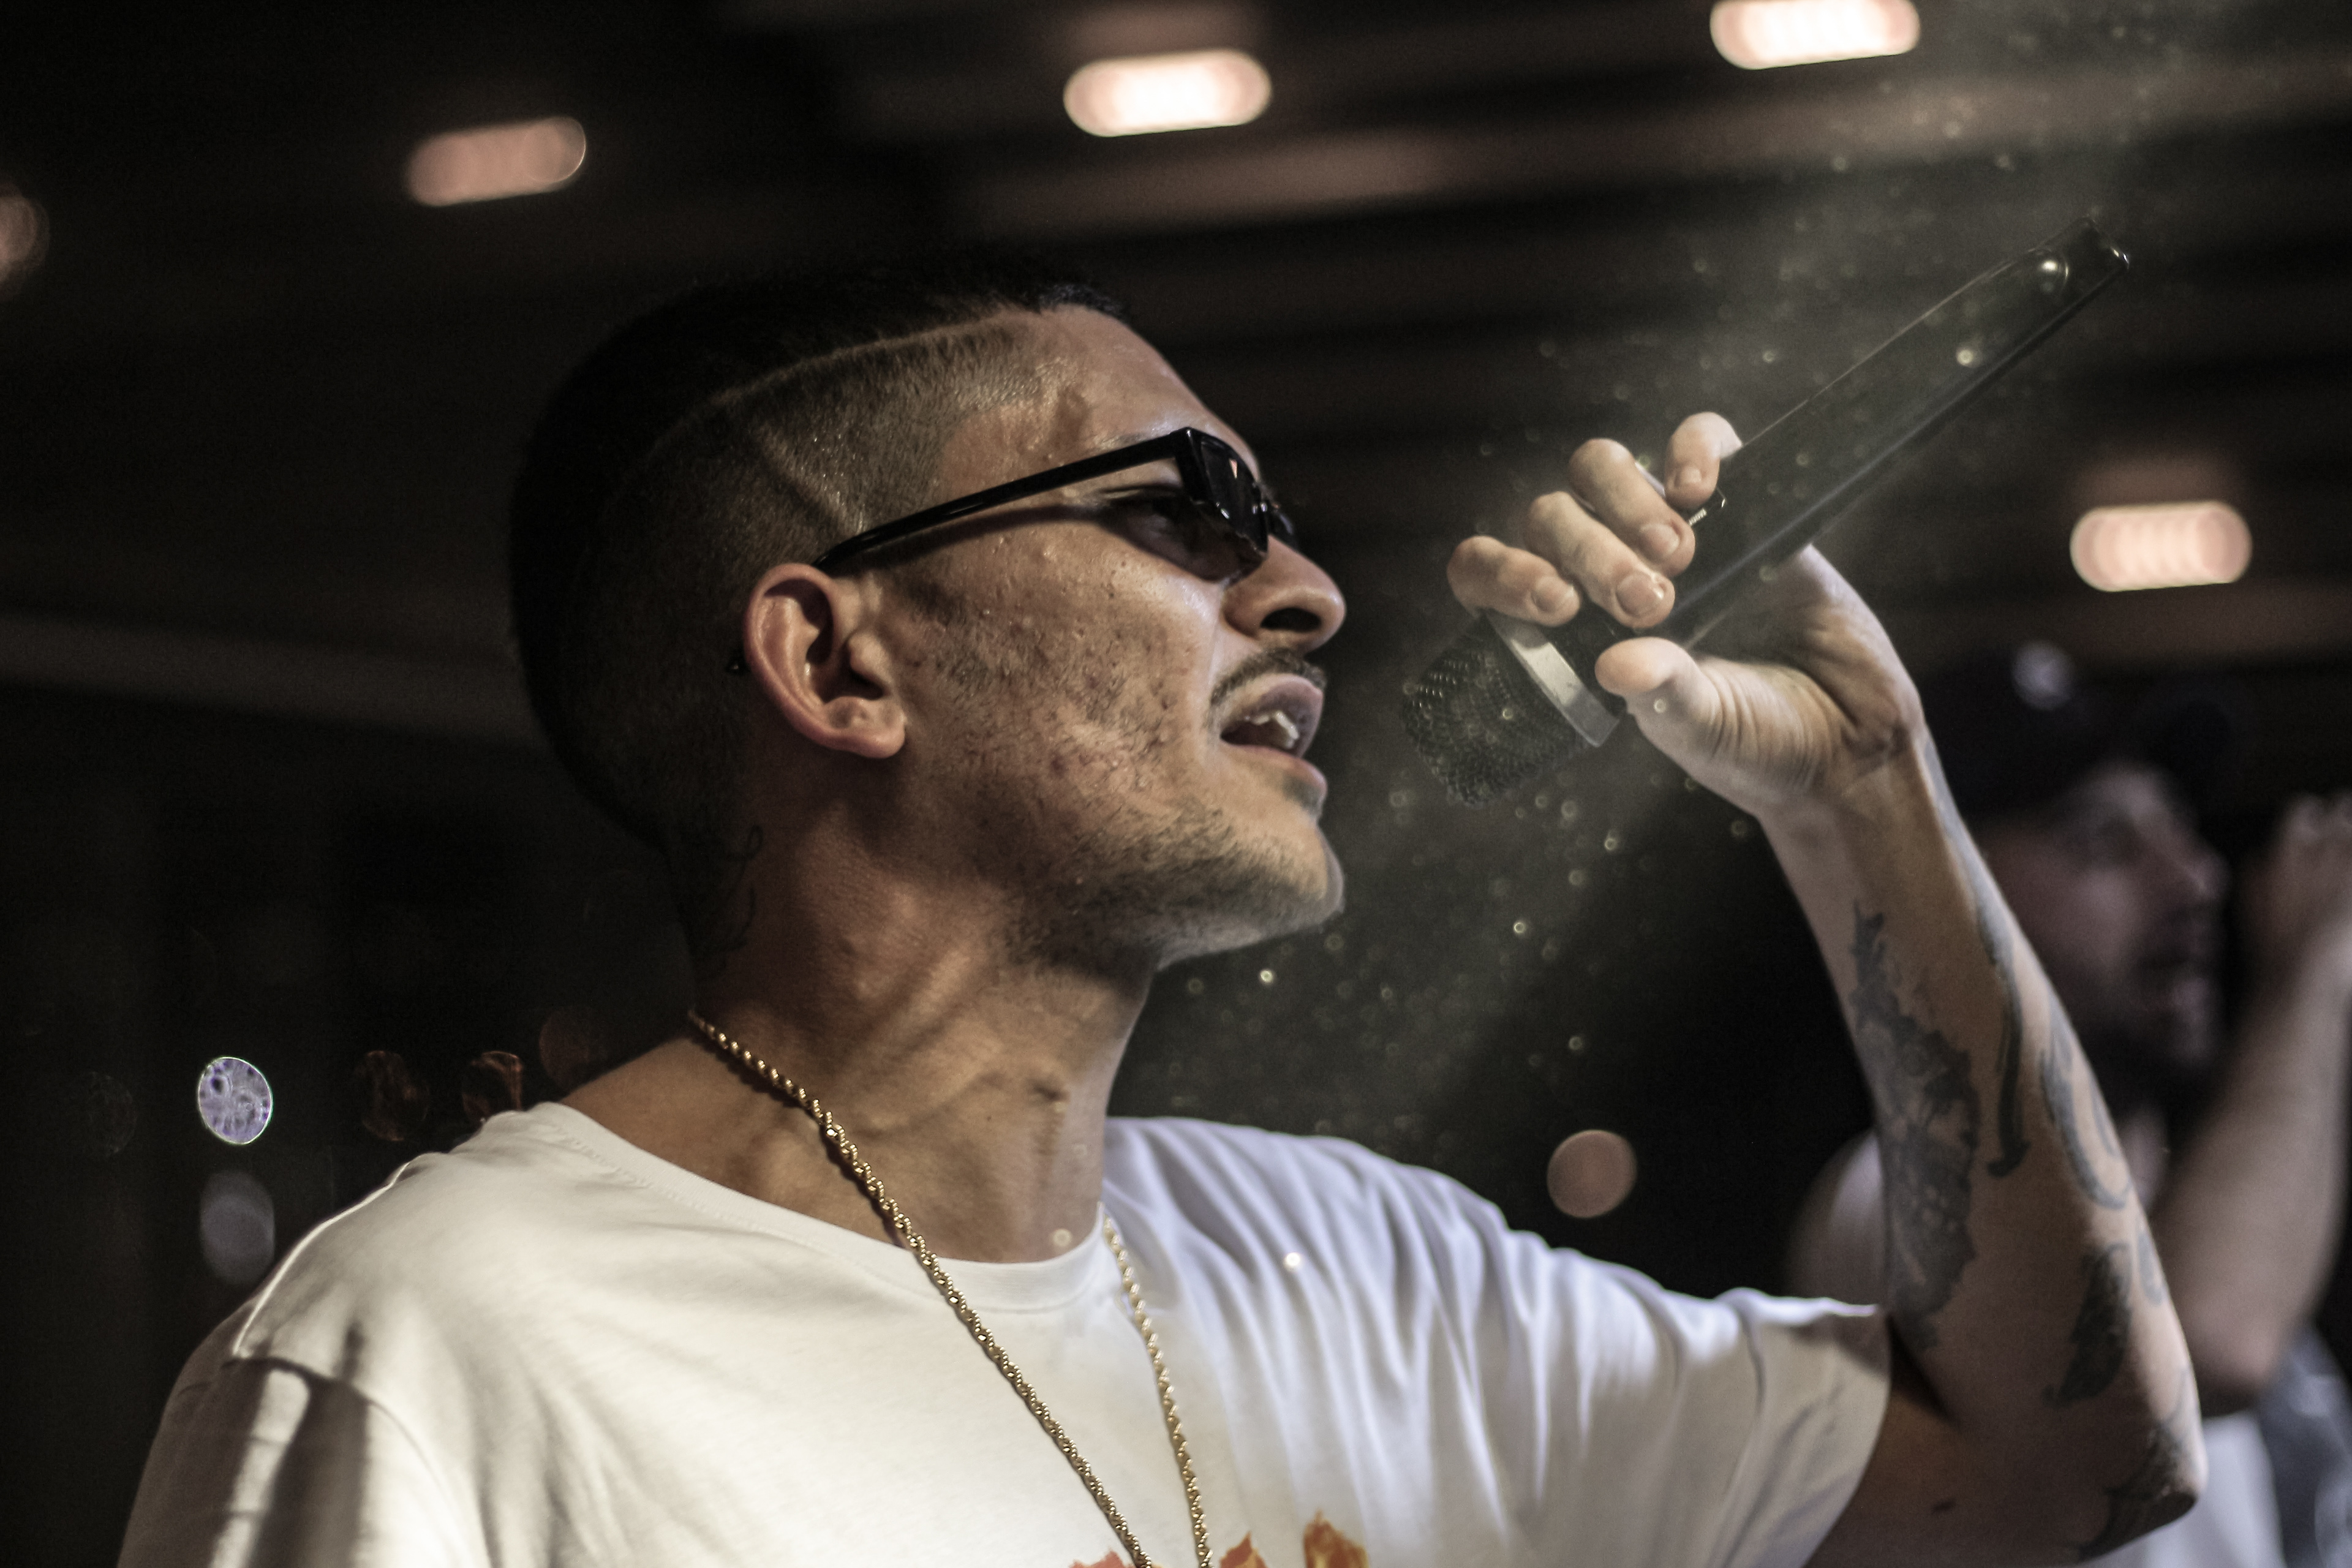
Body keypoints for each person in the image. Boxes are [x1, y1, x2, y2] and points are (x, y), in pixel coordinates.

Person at [120, 254, 2199, 1568]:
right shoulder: (439, 1361)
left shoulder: (1362, 1272)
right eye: (1185, 508)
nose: (1303, 590)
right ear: (839, 660)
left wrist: (1863, 791)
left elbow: (2070, 1462)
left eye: (1274, 522)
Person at [1790, 643, 2352, 1567]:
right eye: (2102, 844)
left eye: (2179, 828)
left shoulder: (2207, 1196)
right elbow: (2205, 1349)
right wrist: (2314, 971)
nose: (2196, 881)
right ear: (1947, 898)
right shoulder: (1898, 1191)